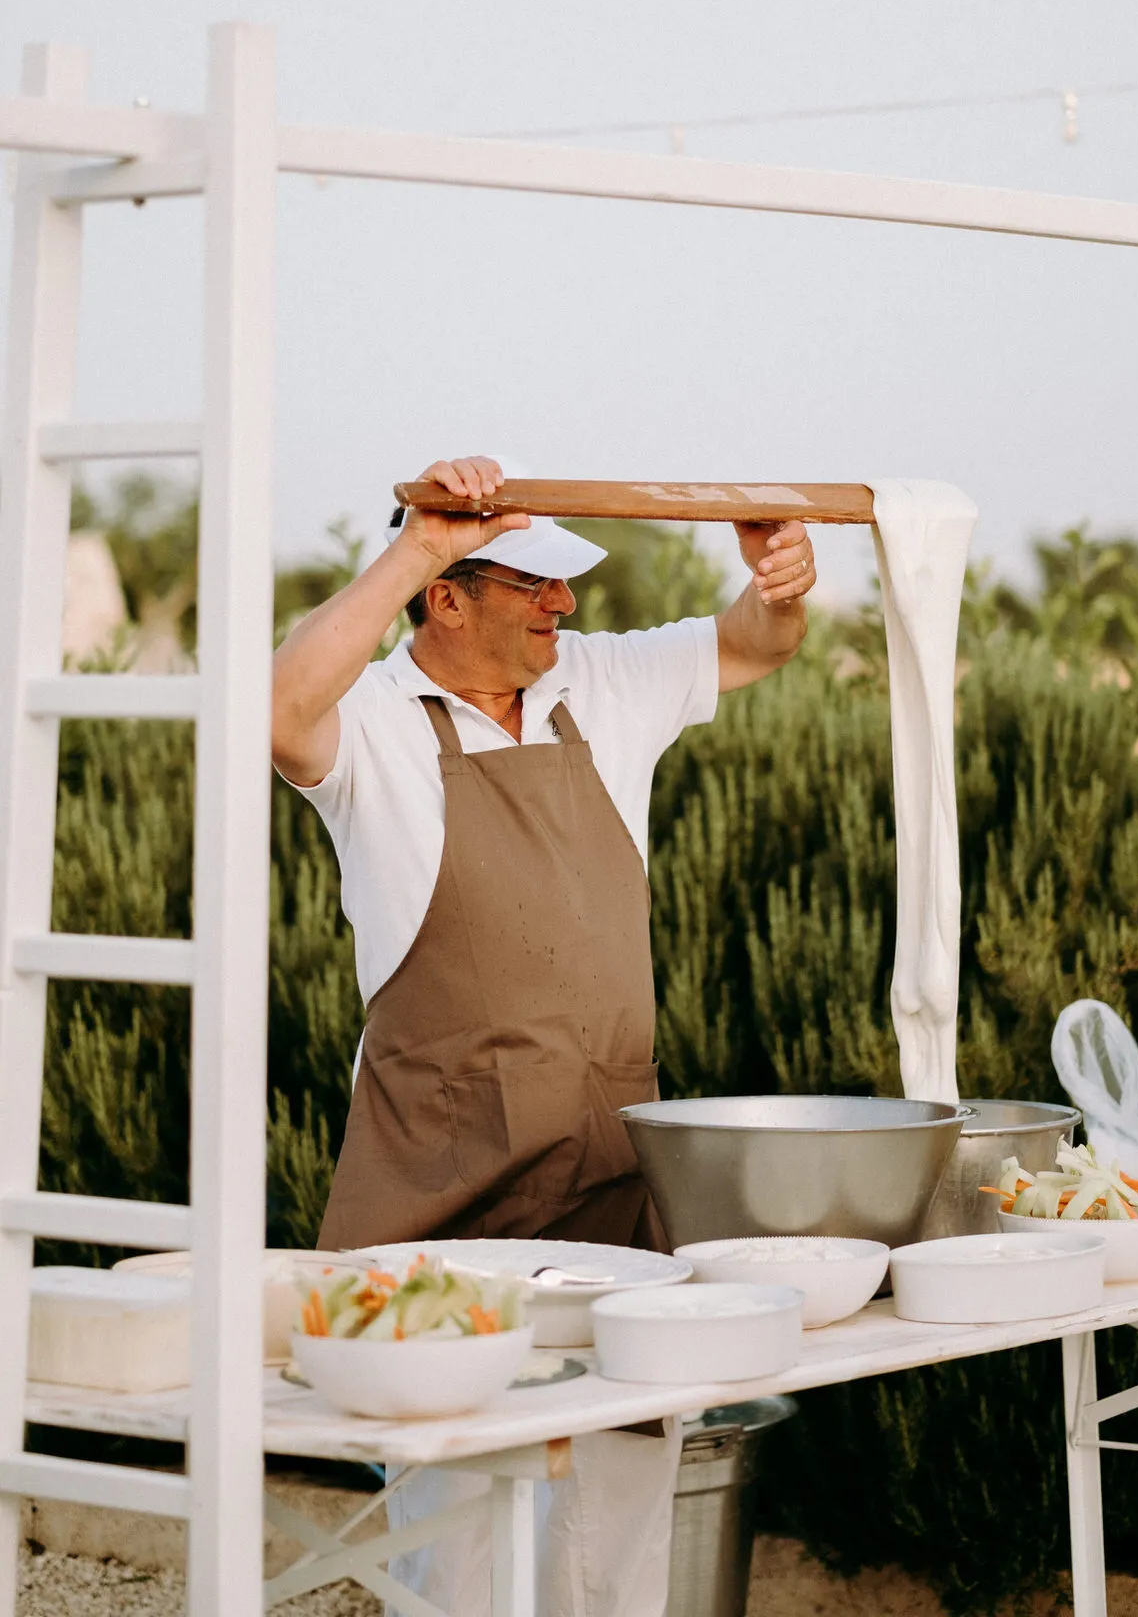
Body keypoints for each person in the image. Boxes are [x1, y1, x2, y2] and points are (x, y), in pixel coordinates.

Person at [270, 455, 817, 1617]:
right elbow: (273, 708)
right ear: (447, 597)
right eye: (533, 584)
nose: (563, 606)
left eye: (564, 583)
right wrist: (416, 536)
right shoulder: (367, 722)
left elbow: (760, 643)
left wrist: (777, 585)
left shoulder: (603, 682)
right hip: (440, 1186)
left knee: (620, 1490)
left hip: (608, 1171)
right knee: (455, 1520)